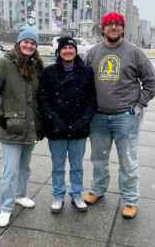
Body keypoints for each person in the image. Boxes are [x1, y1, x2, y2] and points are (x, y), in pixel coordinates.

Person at [83, 12, 155, 219]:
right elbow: (83, 82)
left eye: (117, 24)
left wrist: (140, 104)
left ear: (122, 28)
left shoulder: (135, 53)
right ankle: (97, 189)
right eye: (109, 24)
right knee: (98, 159)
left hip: (126, 117)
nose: (113, 27)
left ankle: (130, 199)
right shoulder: (93, 52)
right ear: (103, 29)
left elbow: (151, 81)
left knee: (127, 161)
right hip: (97, 117)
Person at [0, 25, 44, 227]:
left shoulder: (36, 67)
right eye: (26, 42)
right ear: (19, 43)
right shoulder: (5, 63)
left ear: (35, 47)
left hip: (30, 127)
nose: (29, 45)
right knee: (10, 170)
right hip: (11, 127)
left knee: (24, 167)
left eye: (32, 43)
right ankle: (6, 208)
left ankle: (19, 195)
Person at [38, 36, 96, 214]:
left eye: (71, 48)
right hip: (57, 130)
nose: (68, 51)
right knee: (57, 166)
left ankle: (76, 193)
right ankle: (58, 195)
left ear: (76, 51)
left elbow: (91, 100)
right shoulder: (50, 72)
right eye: (65, 48)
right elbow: (43, 99)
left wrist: (82, 122)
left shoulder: (86, 72)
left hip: (79, 129)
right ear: (59, 50)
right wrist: (56, 122)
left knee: (77, 165)